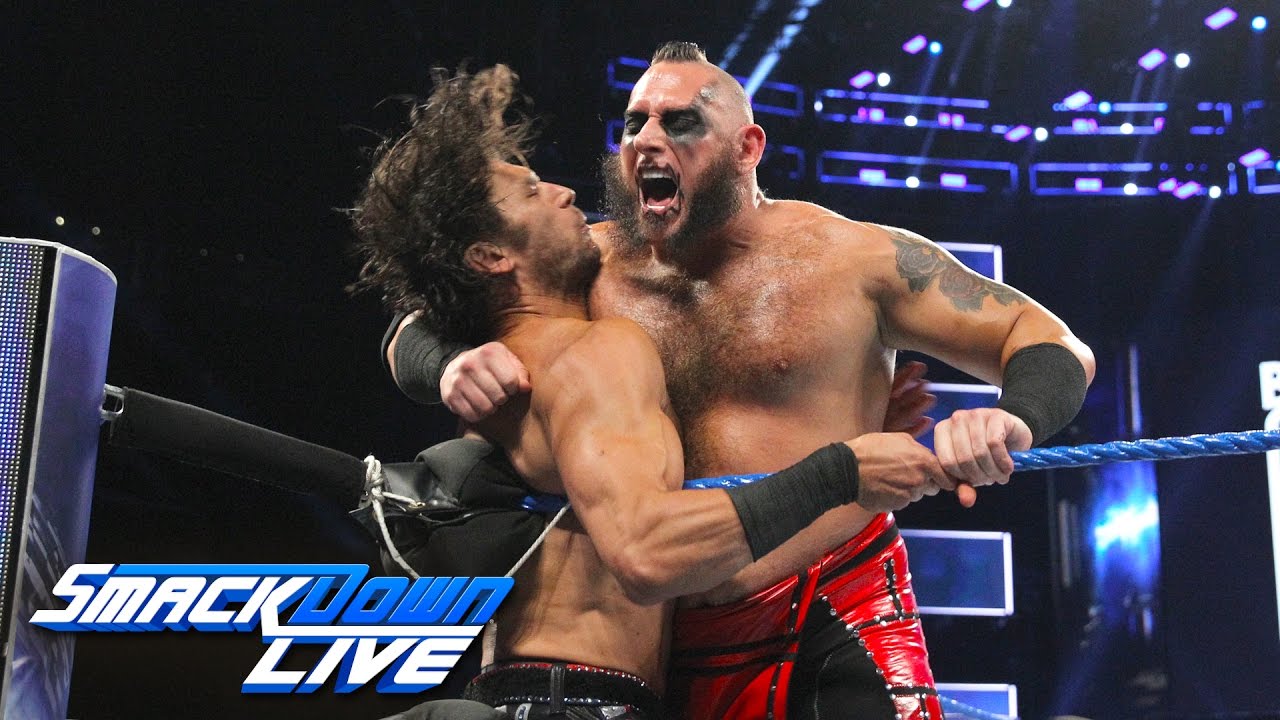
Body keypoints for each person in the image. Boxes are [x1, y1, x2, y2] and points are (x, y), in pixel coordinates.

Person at [385, 43, 1096, 720]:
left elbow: (1045, 339)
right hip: (664, 638)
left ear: (746, 148)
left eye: (679, 122)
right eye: (634, 123)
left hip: (831, 601)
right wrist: (447, 365)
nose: (646, 140)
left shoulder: (854, 261)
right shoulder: (584, 263)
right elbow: (419, 315)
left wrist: (1012, 419)